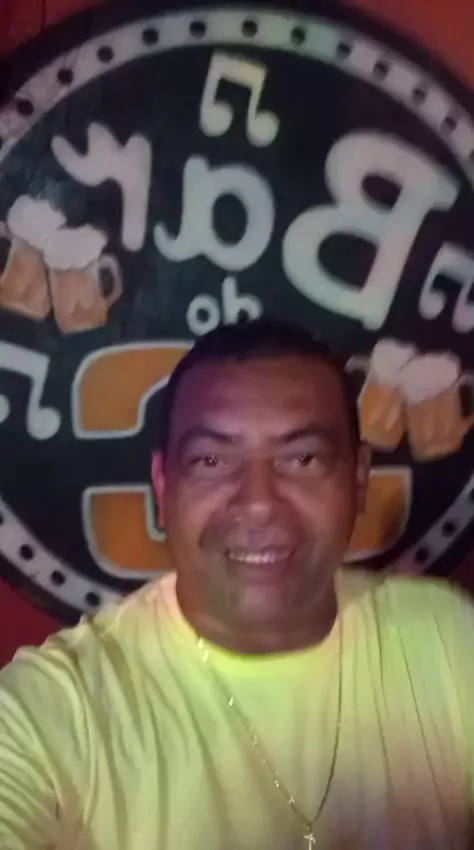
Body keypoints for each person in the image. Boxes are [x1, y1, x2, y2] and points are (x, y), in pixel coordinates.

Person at [0, 318, 473, 850]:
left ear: (359, 479)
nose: (258, 503)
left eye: (303, 458)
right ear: (163, 485)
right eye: (211, 460)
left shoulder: (448, 640)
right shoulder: (56, 706)